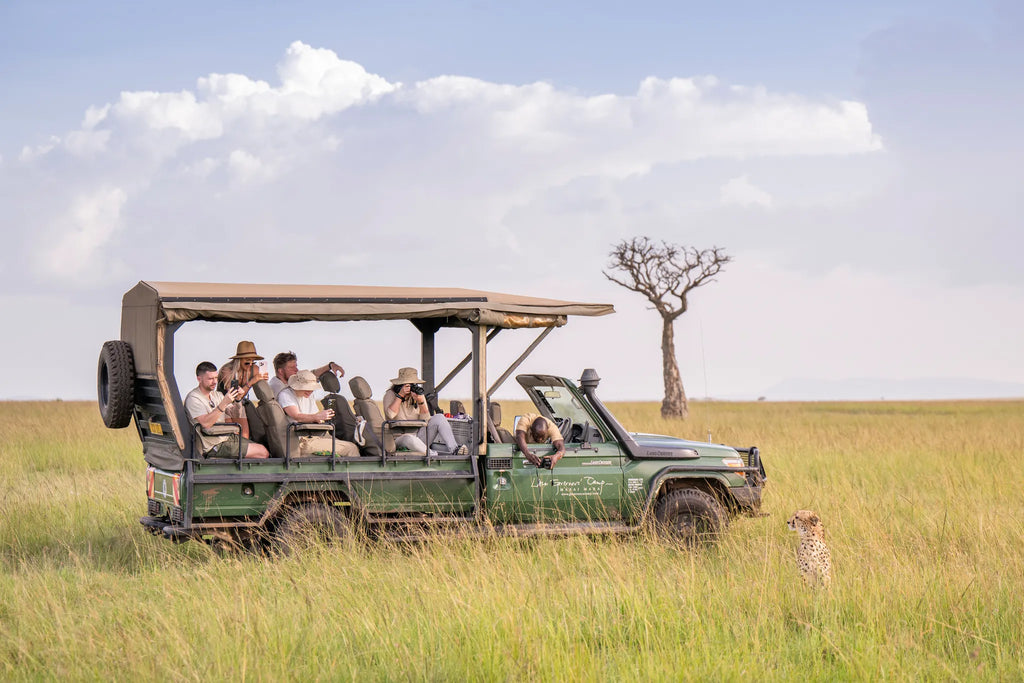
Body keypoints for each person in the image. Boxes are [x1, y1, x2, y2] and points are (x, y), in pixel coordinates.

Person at [184, 361, 270, 459]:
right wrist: (224, 403)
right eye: (210, 379)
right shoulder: (194, 398)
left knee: (264, 448)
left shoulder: (216, 395)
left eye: (216, 378)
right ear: (199, 379)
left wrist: (238, 398)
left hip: (225, 438)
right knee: (262, 453)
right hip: (213, 445)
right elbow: (206, 423)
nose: (215, 382)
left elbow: (234, 413)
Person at [382, 367, 468, 456]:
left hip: (418, 437)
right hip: (399, 438)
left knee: (439, 417)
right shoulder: (390, 395)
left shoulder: (416, 396)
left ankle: (454, 449)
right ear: (400, 385)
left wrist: (421, 402)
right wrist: (400, 396)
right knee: (409, 438)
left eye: (413, 385)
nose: (410, 388)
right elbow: (390, 415)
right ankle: (432, 455)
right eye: (407, 385)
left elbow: (426, 420)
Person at [278, 370, 359, 456]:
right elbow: (297, 416)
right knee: (351, 448)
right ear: (296, 386)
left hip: (312, 436)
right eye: (307, 388)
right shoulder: (285, 395)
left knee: (346, 442)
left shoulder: (308, 395)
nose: (310, 391)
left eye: (312, 389)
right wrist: (317, 417)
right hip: (300, 441)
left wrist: (319, 419)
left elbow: (314, 416)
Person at [217, 340, 268, 439]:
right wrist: (251, 382)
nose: (250, 364)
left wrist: (262, 380)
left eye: (253, 361)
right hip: (224, 403)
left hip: (239, 403)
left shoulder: (254, 369)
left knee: (245, 436)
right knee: (232, 434)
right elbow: (234, 395)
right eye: (247, 361)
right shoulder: (227, 370)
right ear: (239, 360)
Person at [269, 350, 344, 398]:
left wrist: (330, 366)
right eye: (292, 368)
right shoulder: (277, 389)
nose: (296, 370)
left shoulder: (291, 382)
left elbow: (311, 375)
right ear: (281, 371)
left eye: (296, 366)